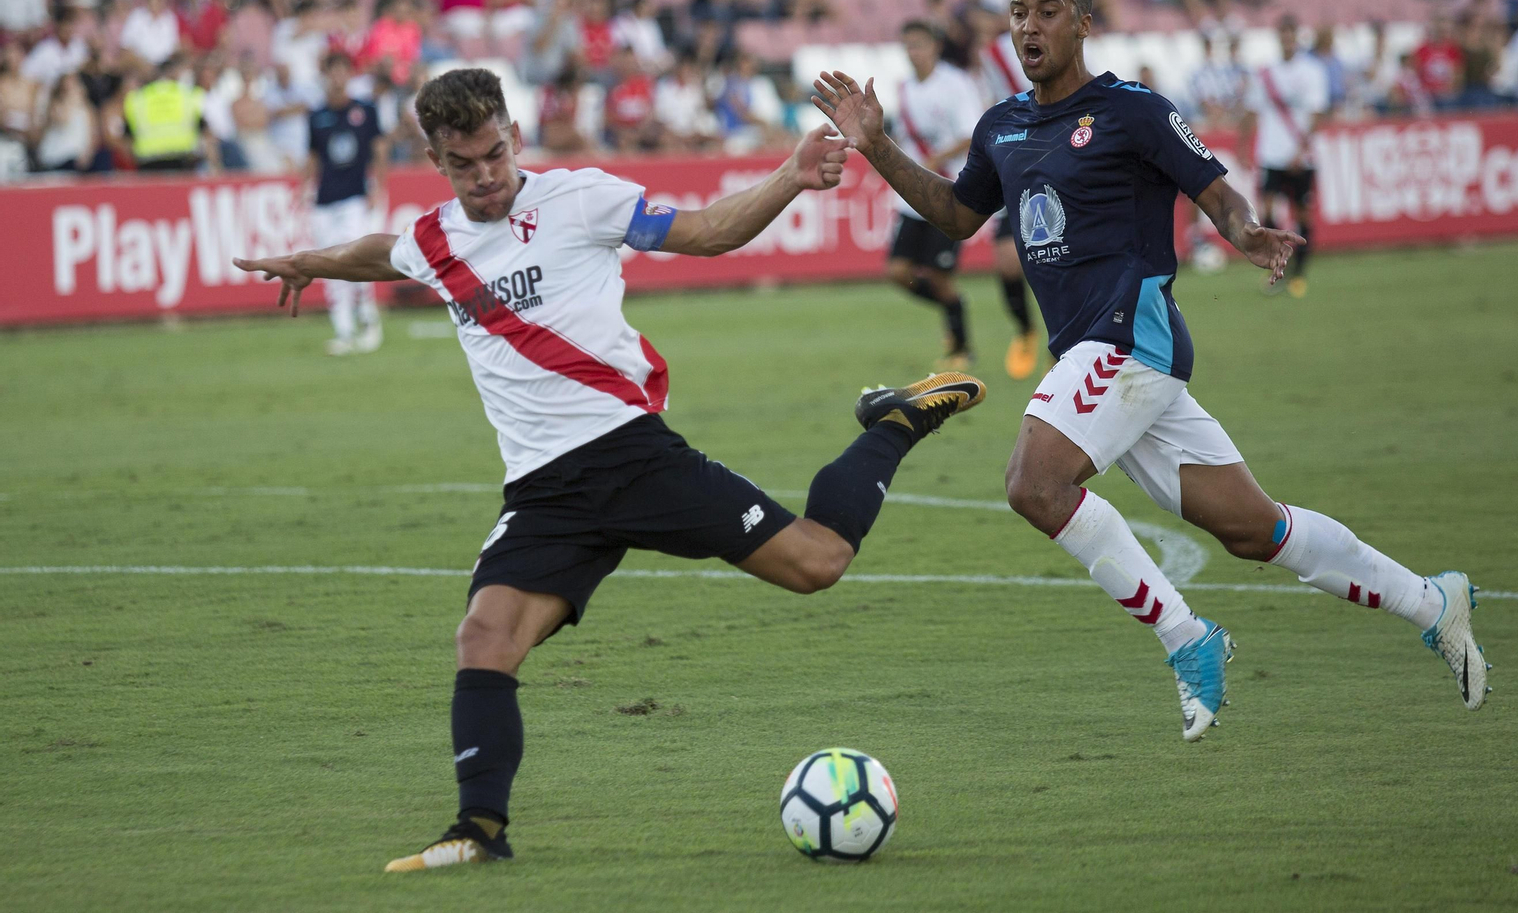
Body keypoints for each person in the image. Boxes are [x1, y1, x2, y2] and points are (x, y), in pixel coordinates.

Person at [233, 66, 985, 871]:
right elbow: (382, 254)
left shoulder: (579, 200)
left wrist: (792, 176)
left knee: (818, 562)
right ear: (437, 160)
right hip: (544, 493)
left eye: (495, 154)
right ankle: (480, 828)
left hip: (629, 454)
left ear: (515, 136)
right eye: (464, 164)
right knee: (484, 637)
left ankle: (897, 420)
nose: (486, 176)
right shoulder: (435, 239)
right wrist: (310, 260)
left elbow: (706, 232)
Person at [811, 0, 1489, 744]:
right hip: (1104, 357)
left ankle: (1187, 638)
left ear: (1085, 24)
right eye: (1018, 13)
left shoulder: (1132, 111)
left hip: (1130, 331)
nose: (1029, 27)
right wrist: (877, 146)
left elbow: (1213, 188)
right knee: (1254, 529)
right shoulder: (1002, 125)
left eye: (1049, 12)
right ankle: (1434, 603)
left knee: (1034, 485)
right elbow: (958, 215)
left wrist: (1245, 231)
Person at [884, 21, 986, 369]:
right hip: (912, 197)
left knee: (940, 276)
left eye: (919, 44)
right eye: (907, 45)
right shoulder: (904, 90)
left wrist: (933, 160)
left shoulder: (955, 84)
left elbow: (971, 133)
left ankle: (961, 347)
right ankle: (953, 304)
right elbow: (902, 137)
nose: (913, 52)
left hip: (948, 190)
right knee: (898, 271)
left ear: (935, 46)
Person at [974, 14, 1043, 379]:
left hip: (1051, 158)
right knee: (1006, 261)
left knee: (1058, 254)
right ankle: (1025, 331)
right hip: (1013, 158)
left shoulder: (1018, 50)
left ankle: (1070, 342)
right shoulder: (987, 58)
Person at [305, 50, 387, 356]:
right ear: (326, 75)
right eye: (332, 71)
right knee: (329, 264)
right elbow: (313, 156)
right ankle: (343, 330)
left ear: (350, 74)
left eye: (342, 70)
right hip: (325, 199)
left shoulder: (365, 110)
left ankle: (368, 322)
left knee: (355, 259)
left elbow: (379, 150)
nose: (337, 77)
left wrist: (378, 187)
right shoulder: (316, 115)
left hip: (355, 197)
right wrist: (305, 189)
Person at [1239, 15, 1327, 298]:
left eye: (1291, 33)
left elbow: (1315, 115)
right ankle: (1281, 268)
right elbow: (1252, 111)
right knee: (1266, 213)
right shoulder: (1265, 72)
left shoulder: (1311, 71)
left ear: (1297, 36)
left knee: (1302, 215)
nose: (1286, 38)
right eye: (1282, 33)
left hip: (1300, 157)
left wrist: (1300, 152)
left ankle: (1300, 275)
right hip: (1271, 154)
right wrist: (1243, 147)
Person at [123, 54, 215, 172]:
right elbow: (206, 133)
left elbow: (126, 139)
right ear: (174, 73)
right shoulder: (189, 96)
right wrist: (214, 166)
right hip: (183, 162)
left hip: (148, 164)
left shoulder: (137, 99)